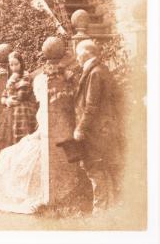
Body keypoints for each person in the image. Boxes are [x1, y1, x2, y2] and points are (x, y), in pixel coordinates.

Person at [0, 70, 46, 214]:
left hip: (41, 141)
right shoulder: (41, 106)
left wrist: (31, 137)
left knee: (15, 157)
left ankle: (19, 194)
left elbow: (43, 130)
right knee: (7, 153)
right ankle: (13, 193)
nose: (37, 92)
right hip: (35, 138)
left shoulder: (41, 107)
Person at [74, 39, 120, 214]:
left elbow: (91, 106)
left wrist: (80, 128)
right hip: (104, 128)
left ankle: (100, 212)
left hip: (97, 130)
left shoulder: (94, 73)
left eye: (79, 54)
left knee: (95, 169)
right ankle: (109, 208)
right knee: (103, 168)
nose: (77, 58)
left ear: (87, 54)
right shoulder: (102, 70)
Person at [0, 51, 38, 152]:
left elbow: (21, 95)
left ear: (21, 63)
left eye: (16, 64)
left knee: (22, 140)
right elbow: (3, 96)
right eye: (11, 65)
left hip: (23, 111)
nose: (14, 67)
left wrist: (11, 84)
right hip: (10, 112)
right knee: (8, 140)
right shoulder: (11, 78)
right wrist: (7, 100)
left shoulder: (25, 76)